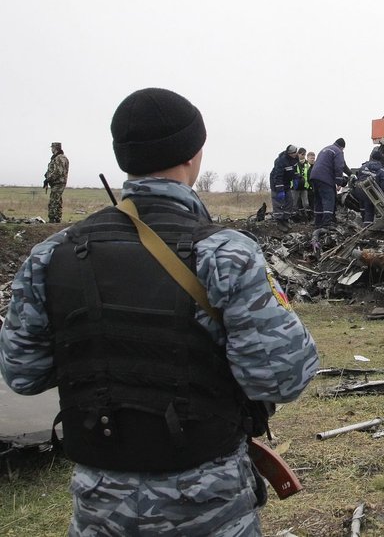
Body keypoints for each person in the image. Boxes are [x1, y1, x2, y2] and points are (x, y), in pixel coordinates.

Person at [0, 88, 319, 536]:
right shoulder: (224, 254)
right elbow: (283, 377)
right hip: (209, 509)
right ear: (195, 154)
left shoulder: (52, 255)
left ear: (123, 157)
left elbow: (22, 372)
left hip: (99, 509)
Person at [309, 139, 350, 228]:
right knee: (329, 199)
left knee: (319, 200)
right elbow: (339, 166)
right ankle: (327, 223)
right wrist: (339, 182)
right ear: (342, 147)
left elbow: (343, 165)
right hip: (325, 178)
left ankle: (318, 223)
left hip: (314, 177)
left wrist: (350, 173)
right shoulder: (338, 151)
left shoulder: (326, 149)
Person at [351, 156, 384, 226]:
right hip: (370, 192)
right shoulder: (382, 170)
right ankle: (367, 229)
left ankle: (362, 224)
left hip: (359, 190)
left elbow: (358, 178)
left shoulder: (363, 166)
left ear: (371, 158)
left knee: (363, 208)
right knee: (369, 211)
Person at [269, 145, 299, 227]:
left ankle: (285, 219)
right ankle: (279, 221)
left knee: (289, 201)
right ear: (289, 153)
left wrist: (296, 178)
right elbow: (278, 176)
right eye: (293, 153)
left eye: (296, 152)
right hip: (276, 182)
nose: (295, 154)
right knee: (278, 202)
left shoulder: (295, 158)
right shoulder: (281, 161)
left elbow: (295, 170)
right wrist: (280, 189)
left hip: (286, 182)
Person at [43, 141, 70, 223]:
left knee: (54, 201)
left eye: (52, 147)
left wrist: (48, 179)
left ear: (55, 148)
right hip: (57, 182)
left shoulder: (60, 158)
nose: (51, 149)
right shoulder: (58, 157)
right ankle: (56, 219)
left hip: (58, 182)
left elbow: (58, 171)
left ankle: (53, 219)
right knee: (57, 200)